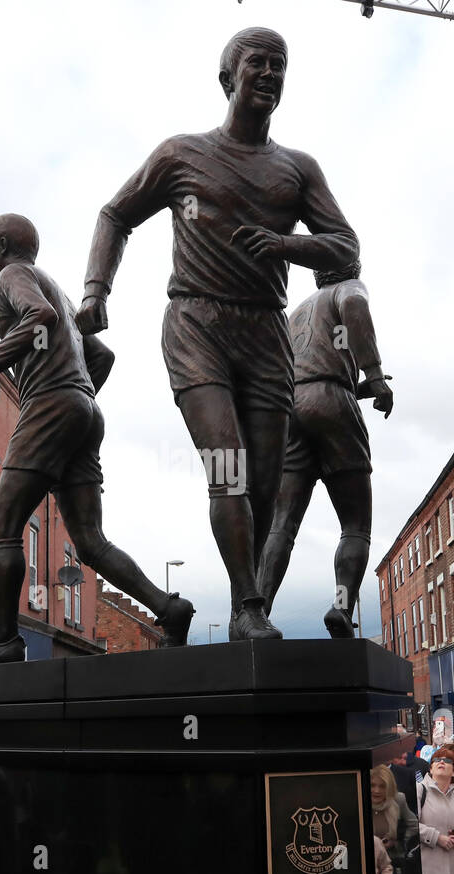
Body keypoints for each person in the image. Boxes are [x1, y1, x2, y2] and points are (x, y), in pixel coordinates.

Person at [78, 27, 359, 641]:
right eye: (257, 63)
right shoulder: (181, 154)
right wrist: (96, 291)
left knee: (262, 484)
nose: (269, 74)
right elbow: (114, 215)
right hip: (195, 323)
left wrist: (287, 244)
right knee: (227, 466)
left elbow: (346, 249)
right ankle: (250, 606)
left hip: (266, 332)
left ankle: (242, 611)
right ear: (228, 77)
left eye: (279, 66)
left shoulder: (297, 169)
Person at [0, 213, 195, 665]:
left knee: (1, 529)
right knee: (90, 542)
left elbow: (37, 316)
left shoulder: (14, 274)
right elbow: (101, 355)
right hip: (84, 410)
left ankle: (4, 642)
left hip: (53, 407)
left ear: (3, 245)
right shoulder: (59, 291)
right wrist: (77, 401)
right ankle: (168, 608)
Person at [256, 262, 393, 636]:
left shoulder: (296, 312)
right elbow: (356, 308)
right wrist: (375, 376)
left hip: (290, 408)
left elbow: (300, 366)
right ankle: (342, 609)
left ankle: (258, 611)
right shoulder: (348, 288)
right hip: (331, 402)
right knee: (355, 524)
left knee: (281, 524)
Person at [370, 764, 412, 874]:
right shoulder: (358, 799)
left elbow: (412, 825)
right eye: (372, 785)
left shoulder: (399, 799)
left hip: (393, 866)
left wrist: (397, 841)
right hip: (369, 869)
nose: (377, 790)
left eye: (382, 786)